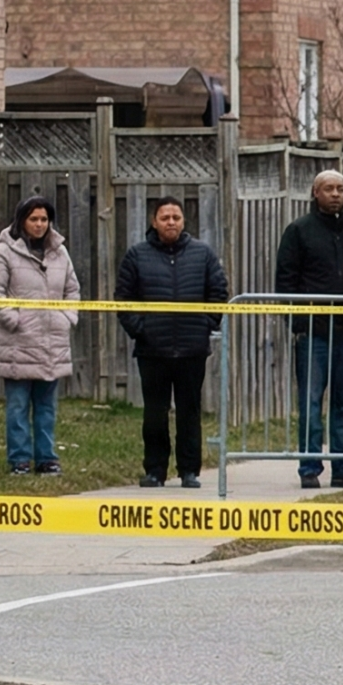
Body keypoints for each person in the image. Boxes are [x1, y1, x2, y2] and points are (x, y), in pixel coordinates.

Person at [275, 170, 343, 489]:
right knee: (311, 402)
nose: (335, 194)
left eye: (340, 189)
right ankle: (309, 468)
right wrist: (299, 323)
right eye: (328, 189)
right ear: (315, 193)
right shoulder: (299, 231)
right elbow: (285, 281)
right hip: (314, 334)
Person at [115, 197, 230, 487]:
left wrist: (206, 324)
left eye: (176, 217)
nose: (171, 222)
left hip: (192, 347)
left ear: (183, 221)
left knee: (189, 412)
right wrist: (141, 330)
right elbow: (123, 298)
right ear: (154, 221)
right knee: (155, 413)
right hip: (153, 349)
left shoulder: (202, 254)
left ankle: (189, 470)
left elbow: (218, 292)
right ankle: (155, 470)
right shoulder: (137, 255)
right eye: (165, 217)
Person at [0, 196, 80, 477]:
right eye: (33, 219)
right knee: (17, 407)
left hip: (52, 343)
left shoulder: (60, 253)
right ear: (22, 221)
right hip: (18, 343)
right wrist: (14, 319)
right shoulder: (4, 252)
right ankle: (20, 460)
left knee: (46, 407)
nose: (39, 225)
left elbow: (73, 290)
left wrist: (67, 317)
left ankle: (47, 458)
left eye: (44, 220)